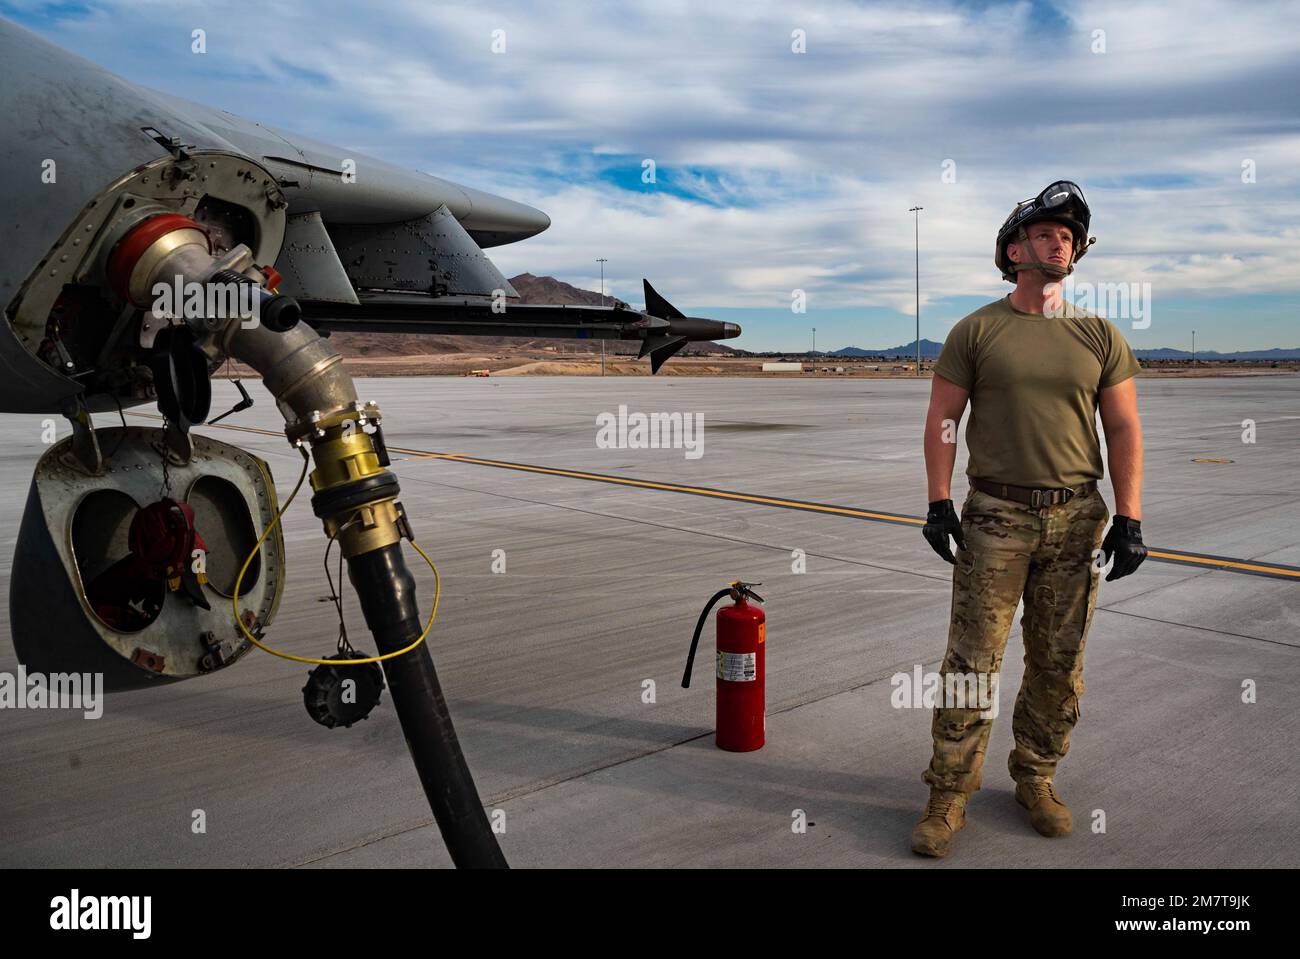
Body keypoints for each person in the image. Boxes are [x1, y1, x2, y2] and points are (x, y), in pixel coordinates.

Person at [912, 180, 1148, 858]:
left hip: (1077, 519)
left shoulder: (1099, 333)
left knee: (1058, 658)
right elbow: (944, 419)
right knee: (971, 660)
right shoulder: (977, 330)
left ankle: (1036, 777)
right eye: (1045, 233)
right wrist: (936, 499)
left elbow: (1124, 428)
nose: (1060, 242)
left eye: (1069, 236)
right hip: (996, 516)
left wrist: (1129, 517)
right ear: (1014, 250)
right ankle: (948, 795)